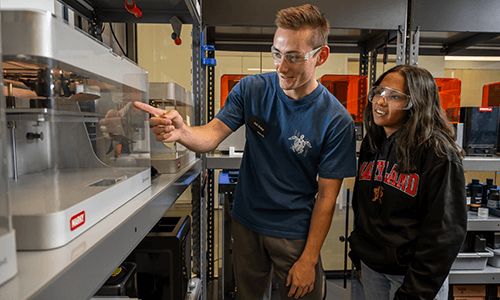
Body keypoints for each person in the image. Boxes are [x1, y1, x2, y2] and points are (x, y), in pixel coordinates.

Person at [134, 4, 357, 299]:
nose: (281, 66)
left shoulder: (336, 120)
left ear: (321, 56)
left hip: (294, 230)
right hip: (246, 221)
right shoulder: (252, 89)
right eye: (277, 53)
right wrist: (182, 133)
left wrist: (309, 258)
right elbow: (212, 134)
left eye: (293, 57)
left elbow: (328, 197)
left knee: (304, 293)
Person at [348, 65, 467, 300]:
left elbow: (444, 232)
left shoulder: (437, 152)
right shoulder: (375, 141)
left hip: (412, 278)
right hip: (374, 270)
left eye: (394, 96)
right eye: (379, 92)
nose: (381, 101)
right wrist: (360, 257)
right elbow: (362, 207)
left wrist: (414, 292)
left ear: (417, 103)